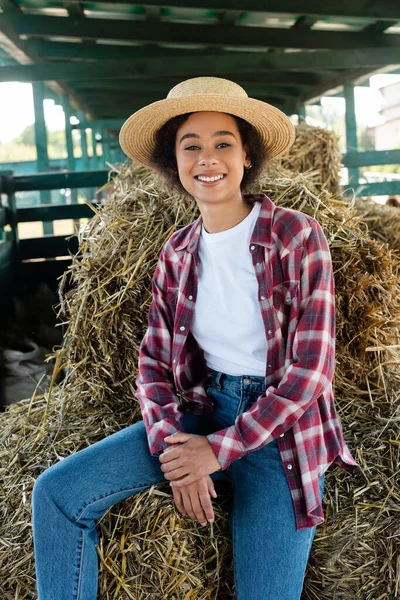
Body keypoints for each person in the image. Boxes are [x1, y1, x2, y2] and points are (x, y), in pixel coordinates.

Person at [31, 76, 359, 600]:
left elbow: (311, 372)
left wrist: (217, 451)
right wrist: (174, 451)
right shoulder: (177, 250)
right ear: (175, 163)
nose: (208, 159)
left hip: (280, 433)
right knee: (56, 495)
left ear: (247, 156)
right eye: (192, 147)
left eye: (223, 144)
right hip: (202, 410)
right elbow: (154, 364)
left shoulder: (298, 235)